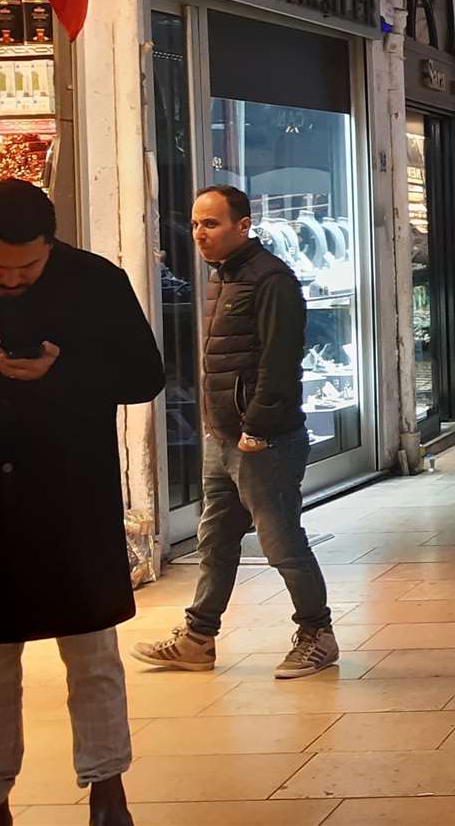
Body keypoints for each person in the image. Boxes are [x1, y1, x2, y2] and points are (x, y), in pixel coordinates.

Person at [0, 180, 163, 824]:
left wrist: (62, 371)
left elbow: (144, 375)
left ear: (53, 245)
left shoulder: (95, 279)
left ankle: (107, 788)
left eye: (29, 267)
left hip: (72, 489)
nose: (12, 280)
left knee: (92, 652)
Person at [132, 184, 338, 681]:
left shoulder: (271, 280)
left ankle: (318, 636)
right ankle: (198, 639)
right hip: (222, 437)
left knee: (281, 542)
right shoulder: (222, 278)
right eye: (196, 224)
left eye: (212, 223)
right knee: (216, 541)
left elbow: (280, 361)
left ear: (242, 225)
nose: (200, 234)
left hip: (261, 440)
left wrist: (258, 427)